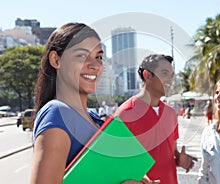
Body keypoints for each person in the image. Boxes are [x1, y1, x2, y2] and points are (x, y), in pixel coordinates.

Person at [30, 23, 155, 184]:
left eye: (99, 57)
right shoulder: (57, 113)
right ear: (56, 60)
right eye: (82, 56)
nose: (95, 65)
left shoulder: (94, 118)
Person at [115, 54, 197, 184]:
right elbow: (115, 163)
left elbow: (171, 152)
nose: (170, 80)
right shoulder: (125, 114)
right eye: (164, 74)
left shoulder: (170, 113)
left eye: (171, 76)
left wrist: (179, 159)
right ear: (147, 75)